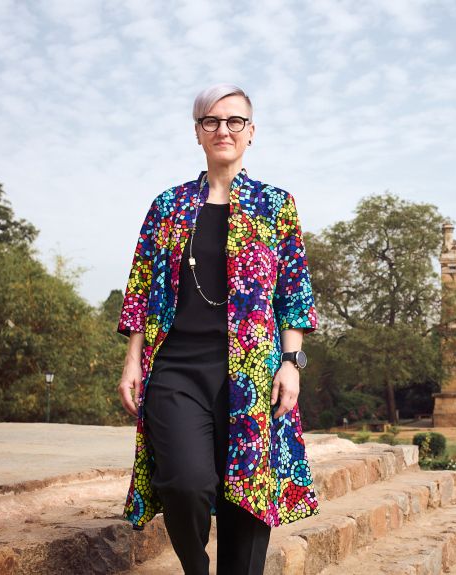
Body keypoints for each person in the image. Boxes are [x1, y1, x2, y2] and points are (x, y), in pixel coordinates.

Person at [116, 84, 318, 575]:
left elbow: (293, 292)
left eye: (234, 121)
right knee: (184, 483)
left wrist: (290, 364)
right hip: (177, 367)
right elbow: (141, 286)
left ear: (251, 133)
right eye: (211, 121)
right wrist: (132, 359)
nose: (222, 129)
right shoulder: (168, 206)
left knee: (247, 493)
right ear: (197, 132)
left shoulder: (275, 205)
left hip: (252, 371)